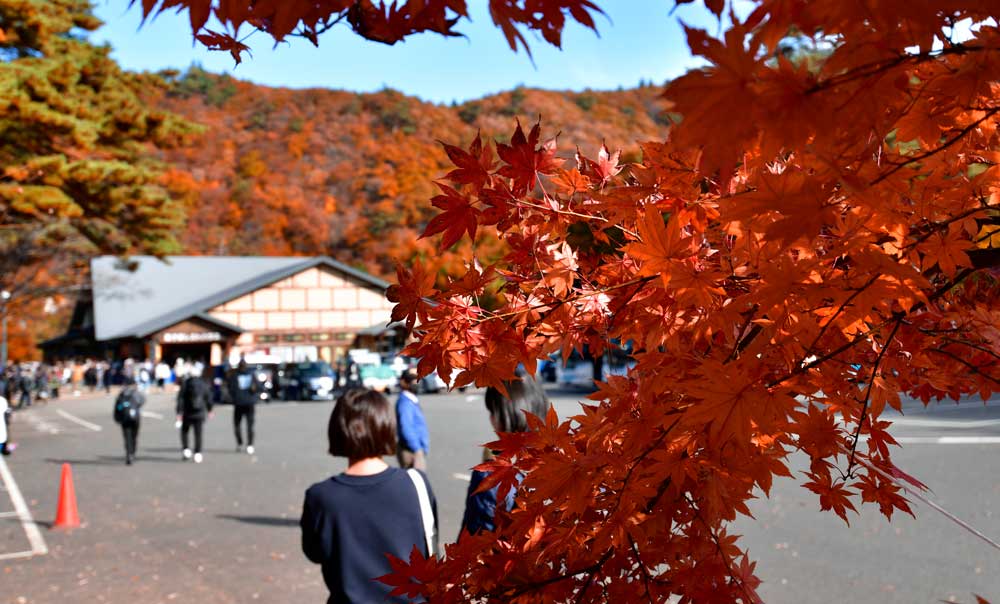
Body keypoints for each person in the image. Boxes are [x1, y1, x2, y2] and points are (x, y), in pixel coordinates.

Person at [300, 388, 438, 604]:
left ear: (337, 430)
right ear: (387, 426)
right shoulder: (416, 484)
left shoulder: (321, 497)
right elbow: (427, 544)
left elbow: (314, 552)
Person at [460, 376, 549, 535]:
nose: (491, 419)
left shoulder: (490, 477)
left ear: (505, 416)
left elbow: (477, 539)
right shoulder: (560, 461)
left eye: (493, 412)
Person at [176, 363, 213, 463]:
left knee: (185, 431)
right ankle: (198, 453)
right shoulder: (203, 384)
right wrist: (210, 410)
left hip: (187, 412)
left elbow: (180, 398)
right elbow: (208, 397)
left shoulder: (186, 383)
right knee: (198, 433)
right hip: (200, 412)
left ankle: (186, 449)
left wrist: (179, 412)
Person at [395, 371, 429, 470]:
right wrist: (417, 448)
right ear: (403, 382)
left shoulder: (411, 400)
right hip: (411, 451)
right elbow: (406, 427)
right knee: (416, 481)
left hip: (415, 448)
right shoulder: (405, 403)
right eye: (412, 379)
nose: (416, 382)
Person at [227, 359, 258, 454]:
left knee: (237, 425)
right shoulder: (251, 375)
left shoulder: (234, 375)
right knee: (250, 425)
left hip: (239, 403)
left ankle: (240, 443)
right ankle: (250, 445)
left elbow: (230, 388)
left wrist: (234, 397)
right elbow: (259, 386)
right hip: (249, 403)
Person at [113, 377, 145, 465]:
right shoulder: (136, 393)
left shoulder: (122, 393)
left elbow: (118, 406)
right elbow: (142, 401)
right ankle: (133, 453)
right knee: (134, 436)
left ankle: (128, 454)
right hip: (135, 418)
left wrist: (118, 416)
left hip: (124, 418)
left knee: (127, 437)